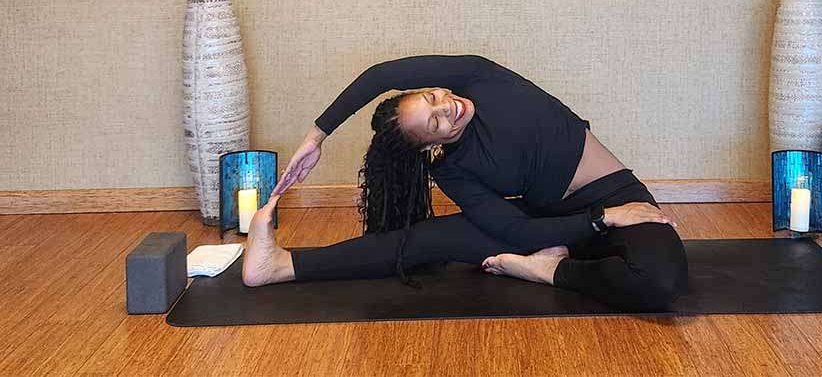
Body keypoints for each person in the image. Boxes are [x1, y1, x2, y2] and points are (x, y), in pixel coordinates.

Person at [242, 54, 688, 312]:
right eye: (434, 122)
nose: (447, 107)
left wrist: (316, 136)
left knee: (658, 282)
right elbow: (519, 232)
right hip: (556, 224)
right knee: (427, 240)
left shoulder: (480, 76)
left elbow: (380, 77)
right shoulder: (451, 169)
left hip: (614, 195)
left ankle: (547, 270)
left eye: (433, 97)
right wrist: (601, 219)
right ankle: (281, 266)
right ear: (427, 148)